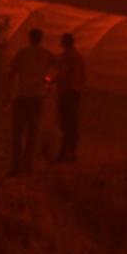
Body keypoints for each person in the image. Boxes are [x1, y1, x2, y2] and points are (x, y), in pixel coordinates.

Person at [5, 29, 57, 176]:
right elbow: (59, 66)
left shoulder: (22, 53)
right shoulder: (46, 54)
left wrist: (7, 94)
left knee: (18, 132)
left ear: (29, 38)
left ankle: (15, 165)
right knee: (32, 132)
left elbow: (11, 73)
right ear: (41, 39)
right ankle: (28, 164)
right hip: (37, 98)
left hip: (22, 96)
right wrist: (49, 80)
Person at [55, 33, 86, 164]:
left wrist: (52, 81)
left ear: (64, 43)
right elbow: (83, 76)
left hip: (66, 92)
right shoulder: (79, 57)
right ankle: (71, 153)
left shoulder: (65, 56)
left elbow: (63, 74)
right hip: (76, 92)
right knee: (72, 122)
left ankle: (63, 154)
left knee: (65, 122)